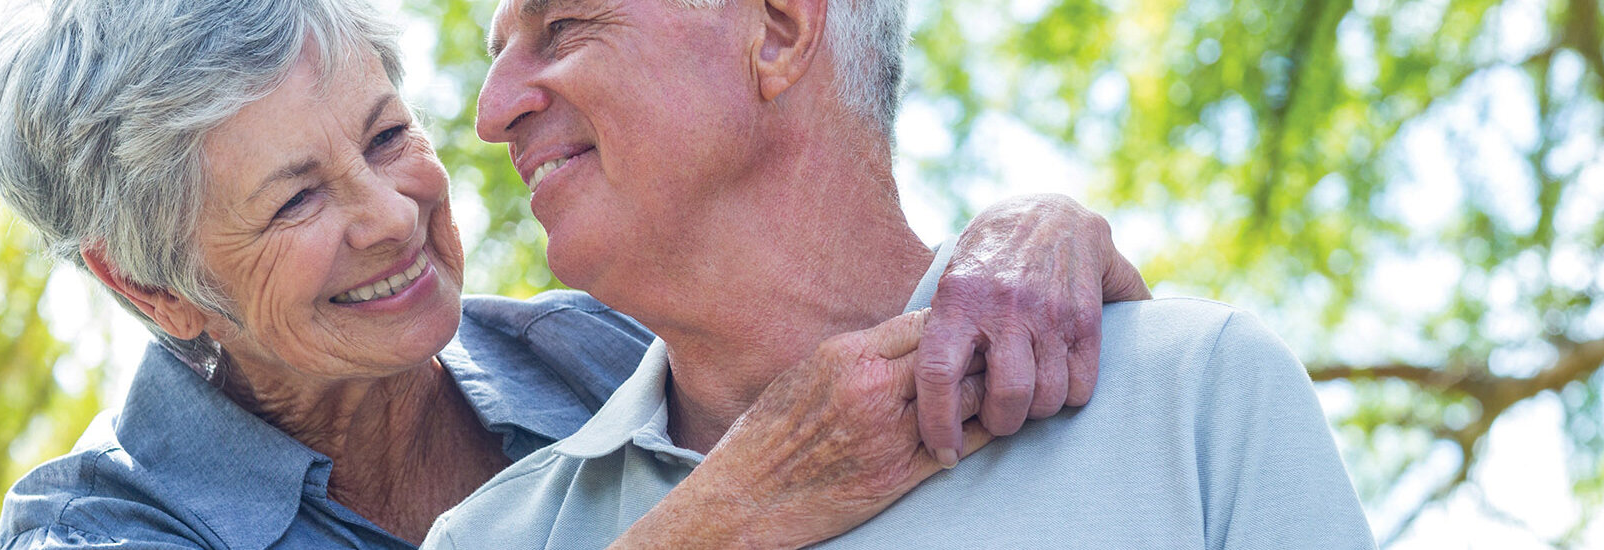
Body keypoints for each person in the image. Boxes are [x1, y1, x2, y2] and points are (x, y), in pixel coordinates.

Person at [0, 0, 1149, 547]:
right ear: (150, 286)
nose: (393, 217)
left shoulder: (592, 350)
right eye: (296, 198)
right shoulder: (102, 531)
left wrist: (1032, 236)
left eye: (387, 138)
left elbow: (864, 301)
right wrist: (739, 513)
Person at [422, 0, 1376, 547]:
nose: (492, 109)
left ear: (781, 30)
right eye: (497, 54)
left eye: (563, 25)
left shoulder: (1192, 397)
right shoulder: (492, 539)